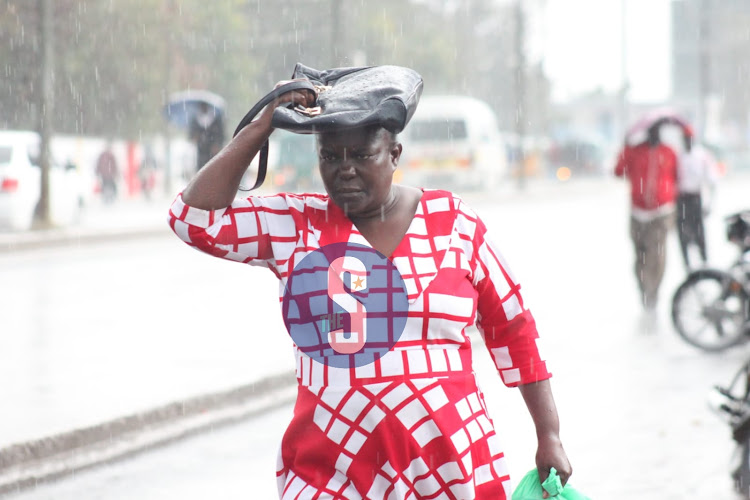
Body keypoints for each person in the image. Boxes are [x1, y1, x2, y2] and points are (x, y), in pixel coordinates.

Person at [168, 79, 572, 498]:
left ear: (394, 154)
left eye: (362, 155)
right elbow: (191, 219)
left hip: (451, 472)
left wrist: (550, 434)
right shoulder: (297, 225)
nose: (345, 169)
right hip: (331, 475)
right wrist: (263, 125)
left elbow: (514, 326)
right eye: (330, 156)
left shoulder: (453, 224)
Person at [615, 124, 679, 316]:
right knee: (640, 256)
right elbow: (619, 171)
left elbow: (677, 178)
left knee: (657, 256)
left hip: (661, 212)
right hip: (638, 212)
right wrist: (625, 147)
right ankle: (643, 289)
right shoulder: (635, 151)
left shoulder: (668, 152)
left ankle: (654, 291)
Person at [676, 129, 718, 270]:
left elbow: (712, 180)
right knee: (682, 233)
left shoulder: (701, 156)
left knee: (699, 231)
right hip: (681, 199)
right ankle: (687, 265)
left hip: (695, 197)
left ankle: (704, 261)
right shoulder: (678, 156)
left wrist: (710, 203)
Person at [189, 101, 225, 172]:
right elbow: (191, 135)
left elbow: (221, 135)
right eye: (202, 106)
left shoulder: (216, 119)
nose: (203, 108)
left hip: (213, 151)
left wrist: (217, 144)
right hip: (201, 152)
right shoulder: (195, 120)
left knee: (213, 169)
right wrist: (195, 137)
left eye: (205, 106)